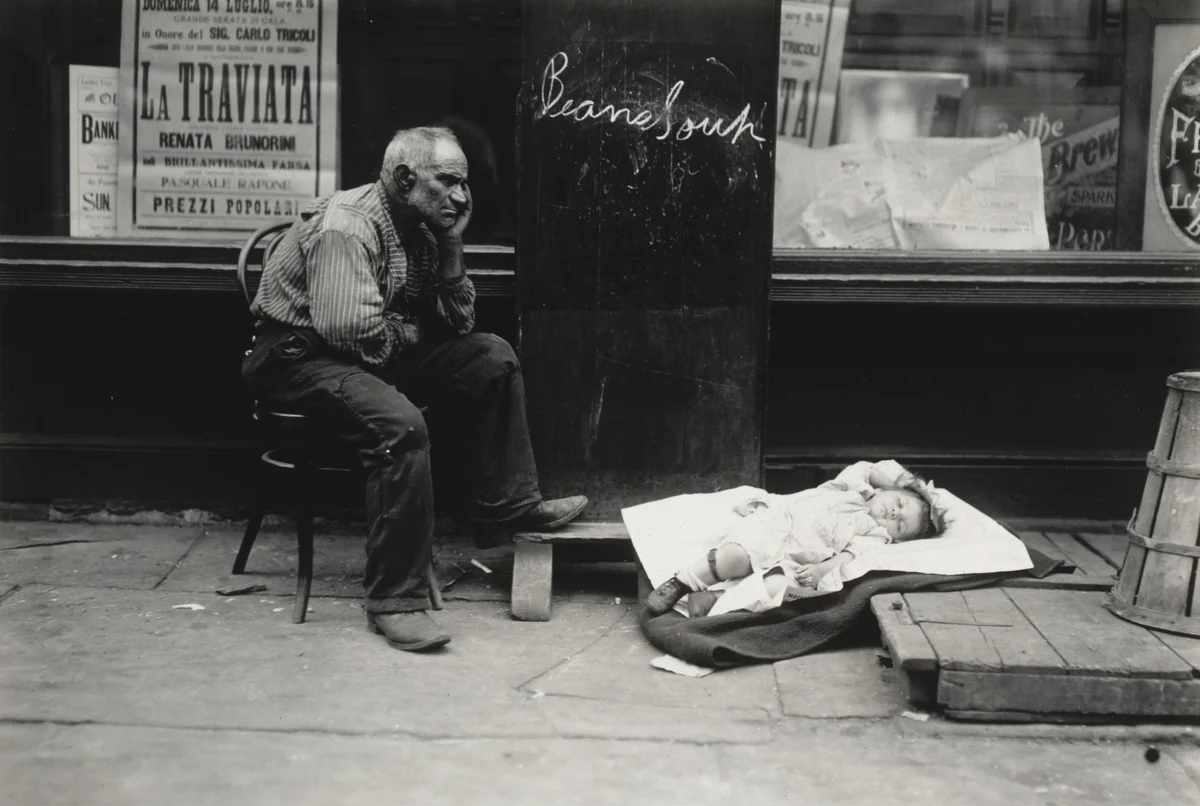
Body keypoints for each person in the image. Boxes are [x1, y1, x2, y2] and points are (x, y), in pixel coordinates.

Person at [241, 126, 587, 653]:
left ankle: (508, 505)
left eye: (464, 185)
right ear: (405, 178)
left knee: (491, 357)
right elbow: (352, 335)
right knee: (400, 426)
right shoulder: (349, 227)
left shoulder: (421, 229)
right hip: (297, 361)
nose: (463, 197)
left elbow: (458, 321)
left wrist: (450, 245)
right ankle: (394, 601)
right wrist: (413, 331)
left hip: (359, 353)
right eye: (448, 182)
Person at [643, 460, 945, 618]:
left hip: (802, 558)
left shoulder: (876, 535)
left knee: (781, 590)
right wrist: (906, 484)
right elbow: (867, 467)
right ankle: (683, 582)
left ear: (897, 538)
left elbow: (848, 556)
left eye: (901, 524)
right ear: (888, 491)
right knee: (736, 554)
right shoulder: (852, 487)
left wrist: (822, 570)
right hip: (778, 525)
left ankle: (717, 601)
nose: (894, 513)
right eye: (900, 503)